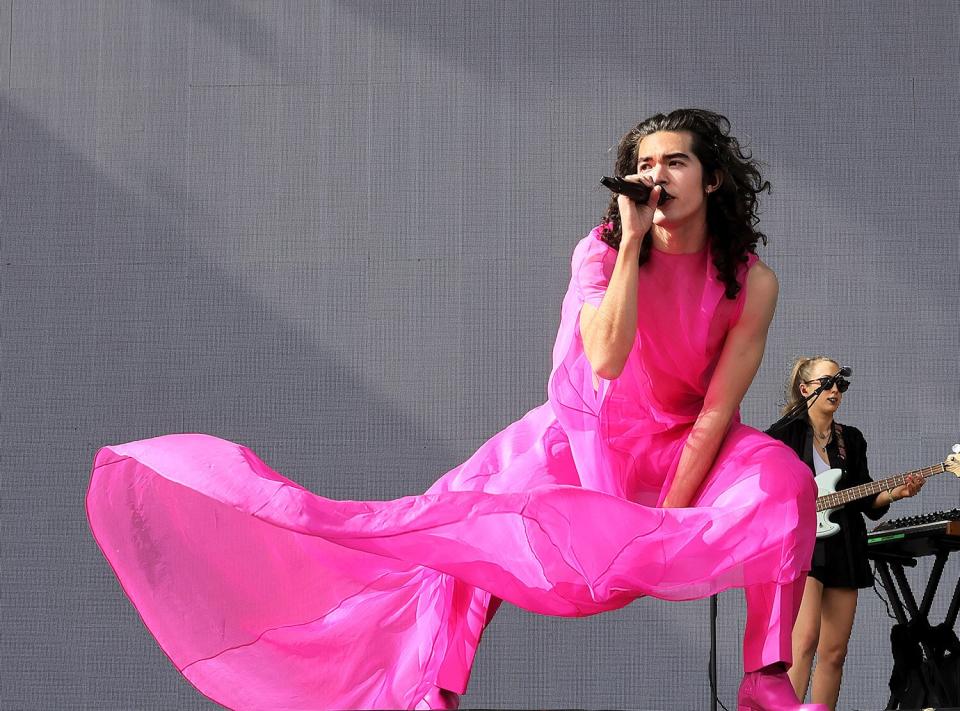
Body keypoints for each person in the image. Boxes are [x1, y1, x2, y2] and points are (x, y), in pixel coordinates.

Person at [86, 109, 821, 711]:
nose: (654, 176)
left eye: (673, 162)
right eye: (644, 164)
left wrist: (667, 524)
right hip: (582, 437)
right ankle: (431, 689)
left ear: (714, 177)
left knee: (784, 481)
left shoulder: (750, 283)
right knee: (467, 521)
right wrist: (630, 244)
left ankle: (765, 679)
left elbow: (717, 410)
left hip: (684, 443)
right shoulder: (600, 253)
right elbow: (602, 360)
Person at [767, 357, 924, 709]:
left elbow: (866, 498)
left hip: (843, 545)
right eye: (827, 382)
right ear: (805, 389)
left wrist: (895, 493)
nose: (835, 389)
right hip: (802, 544)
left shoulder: (849, 439)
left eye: (840, 384)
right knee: (803, 641)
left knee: (834, 651)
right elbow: (767, 488)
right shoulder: (782, 436)